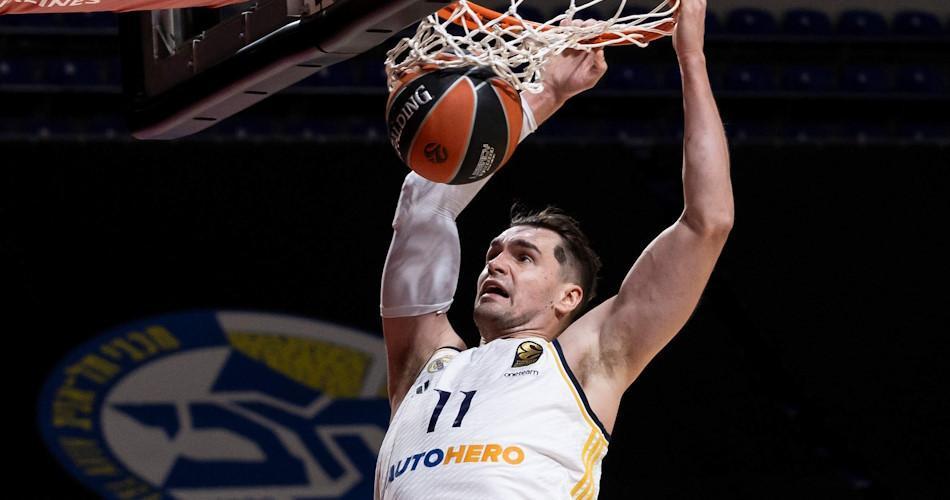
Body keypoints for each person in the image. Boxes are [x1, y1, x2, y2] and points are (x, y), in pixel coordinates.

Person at [375, 0, 732, 497]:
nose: (496, 264)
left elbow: (707, 223)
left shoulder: (589, 358)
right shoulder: (425, 359)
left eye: (523, 257)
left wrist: (691, 57)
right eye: (493, 254)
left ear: (569, 297)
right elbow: (422, 204)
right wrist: (548, 92)